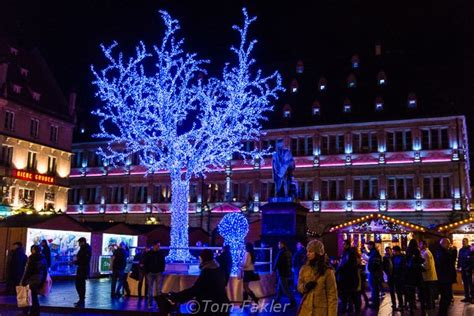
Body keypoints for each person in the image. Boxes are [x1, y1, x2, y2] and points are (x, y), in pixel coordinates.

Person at [167, 249, 230, 315]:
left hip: (209, 306)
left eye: (200, 258)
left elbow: (195, 289)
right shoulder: (217, 269)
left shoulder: (208, 272)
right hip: (221, 305)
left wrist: (176, 297)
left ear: (203, 259)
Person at [297, 239, 337, 316]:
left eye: (311, 251)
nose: (308, 254)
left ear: (318, 253)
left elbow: (332, 297)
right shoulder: (304, 269)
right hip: (305, 311)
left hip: (320, 312)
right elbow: (299, 287)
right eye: (307, 251)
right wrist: (305, 287)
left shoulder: (327, 272)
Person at [20, 245, 47, 316]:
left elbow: (28, 270)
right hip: (39, 278)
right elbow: (45, 271)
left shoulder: (32, 257)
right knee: (34, 295)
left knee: (31, 296)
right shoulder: (43, 258)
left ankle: (33, 312)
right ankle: (34, 312)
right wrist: (43, 281)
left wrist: (23, 280)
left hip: (32, 279)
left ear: (33, 250)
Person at [435, 238, 457, 316]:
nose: (449, 245)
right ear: (444, 244)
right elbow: (449, 262)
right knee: (445, 298)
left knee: (445, 298)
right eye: (448, 244)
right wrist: (454, 252)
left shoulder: (440, 251)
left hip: (444, 278)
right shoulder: (442, 252)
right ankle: (442, 313)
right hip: (445, 278)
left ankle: (442, 313)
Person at [337, 240, 360, 313]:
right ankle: (354, 310)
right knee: (352, 296)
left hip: (348, 278)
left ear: (347, 245)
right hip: (351, 278)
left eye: (344, 244)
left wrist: (338, 270)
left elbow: (345, 265)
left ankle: (348, 311)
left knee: (347, 296)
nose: (343, 245)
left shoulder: (348, 253)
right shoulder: (351, 253)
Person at [274, 240, 296, 308]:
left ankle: (292, 301)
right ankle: (276, 300)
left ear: (282, 244)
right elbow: (290, 262)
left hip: (282, 272)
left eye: (279, 244)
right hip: (286, 272)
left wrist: (274, 269)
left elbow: (277, 262)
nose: (278, 245)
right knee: (280, 287)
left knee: (285, 288)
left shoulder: (281, 252)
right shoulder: (288, 252)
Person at [405, 239, 425, 313]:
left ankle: (411, 307)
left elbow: (406, 261)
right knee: (421, 291)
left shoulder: (408, 251)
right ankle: (422, 307)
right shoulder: (417, 250)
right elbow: (420, 260)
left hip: (410, 274)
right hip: (417, 273)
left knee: (411, 292)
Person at [143, 241, 166, 308]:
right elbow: (145, 262)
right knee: (151, 289)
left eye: (159, 245)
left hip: (158, 272)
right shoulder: (149, 253)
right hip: (151, 272)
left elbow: (163, 262)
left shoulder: (160, 253)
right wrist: (147, 271)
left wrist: (162, 270)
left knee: (158, 289)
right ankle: (150, 304)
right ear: (154, 246)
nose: (159, 247)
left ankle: (157, 304)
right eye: (158, 245)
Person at [74, 237, 91, 307]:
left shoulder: (86, 249)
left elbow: (85, 260)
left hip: (83, 269)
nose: (79, 244)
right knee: (79, 284)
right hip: (81, 268)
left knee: (80, 284)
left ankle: (81, 299)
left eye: (79, 242)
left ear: (83, 242)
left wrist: (76, 261)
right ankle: (81, 299)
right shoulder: (83, 248)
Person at [420, 240, 437, 310]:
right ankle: (431, 305)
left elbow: (427, 266)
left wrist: (420, 265)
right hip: (429, 276)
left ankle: (430, 306)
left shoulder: (426, 253)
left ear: (424, 245)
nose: (419, 245)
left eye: (420, 244)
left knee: (429, 292)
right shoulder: (426, 252)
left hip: (428, 276)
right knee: (430, 292)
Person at [366, 241, 383, 309]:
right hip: (375, 272)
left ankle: (375, 304)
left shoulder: (374, 253)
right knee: (374, 288)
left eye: (368, 245)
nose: (367, 247)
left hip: (374, 273)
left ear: (371, 245)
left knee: (374, 288)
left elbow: (375, 263)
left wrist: (372, 270)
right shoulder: (374, 252)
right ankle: (375, 303)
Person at [458, 237, 473, 303]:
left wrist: (469, 267)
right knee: (465, 284)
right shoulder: (461, 250)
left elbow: (472, 260)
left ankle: (472, 297)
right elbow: (459, 258)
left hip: (469, 269)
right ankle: (467, 297)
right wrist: (459, 266)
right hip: (463, 269)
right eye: (462, 241)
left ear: (467, 242)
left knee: (471, 284)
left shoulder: (471, 249)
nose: (463, 242)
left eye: (464, 241)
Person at [392, 246, 406, 311]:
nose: (393, 252)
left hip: (400, 277)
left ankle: (402, 305)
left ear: (397, 251)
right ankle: (402, 305)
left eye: (394, 251)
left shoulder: (402, 258)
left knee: (400, 292)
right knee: (399, 292)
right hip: (397, 277)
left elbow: (402, 268)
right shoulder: (395, 257)